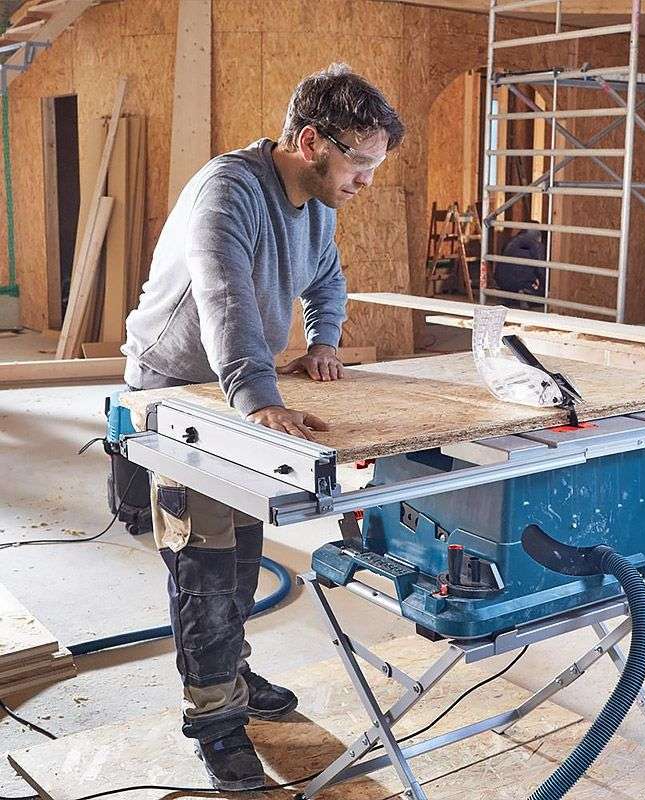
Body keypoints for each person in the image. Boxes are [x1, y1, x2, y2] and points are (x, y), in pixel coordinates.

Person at [121, 64, 404, 790]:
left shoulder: (317, 204)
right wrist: (257, 395)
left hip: (235, 385)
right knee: (206, 561)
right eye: (360, 162)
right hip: (177, 390)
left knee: (245, 548)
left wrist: (324, 340)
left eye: (374, 166)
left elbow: (327, 276)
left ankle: (233, 674)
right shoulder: (229, 190)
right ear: (311, 142)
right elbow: (224, 294)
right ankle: (215, 722)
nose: (366, 181)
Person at [493, 228, 547, 308]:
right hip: (523, 281)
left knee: (512, 275)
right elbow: (541, 270)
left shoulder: (510, 241)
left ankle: (510, 297)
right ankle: (525, 293)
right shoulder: (537, 246)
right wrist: (545, 286)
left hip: (501, 280)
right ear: (539, 237)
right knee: (542, 296)